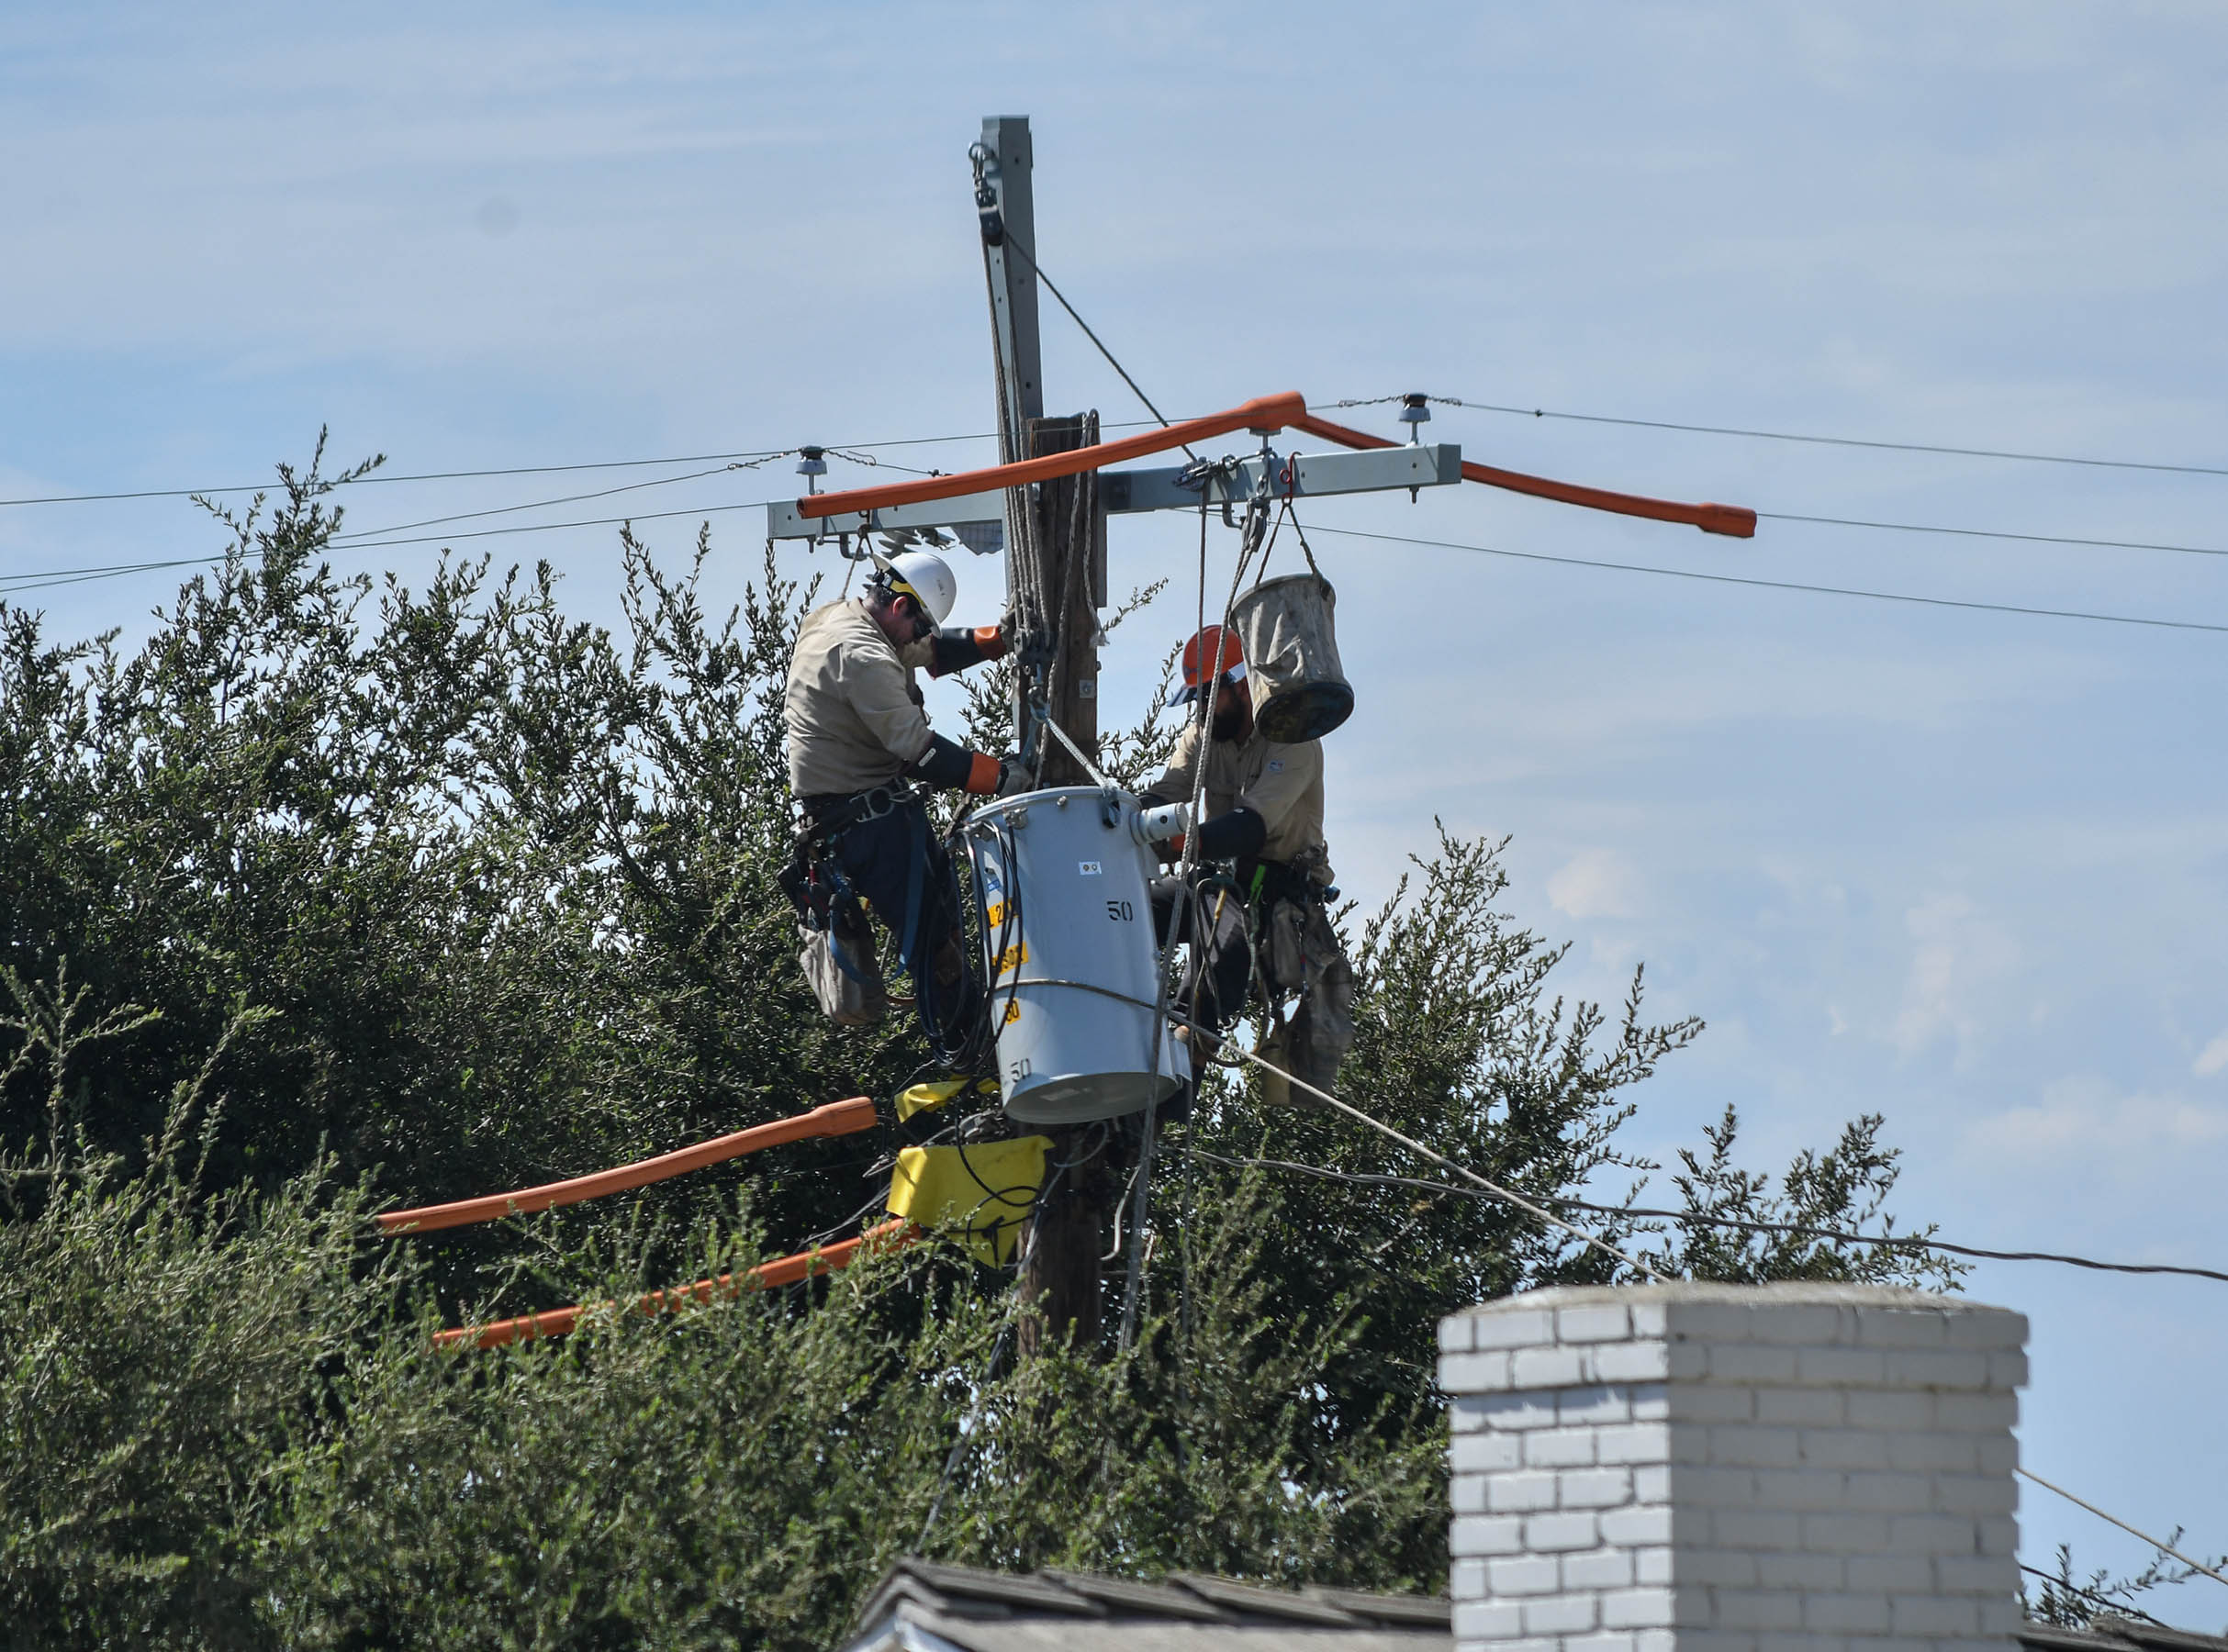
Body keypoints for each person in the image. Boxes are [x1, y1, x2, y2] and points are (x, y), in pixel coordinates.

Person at [782, 546, 1014, 1053]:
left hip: (866, 813)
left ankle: (965, 1041)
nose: (921, 636)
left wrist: (997, 641)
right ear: (899, 606)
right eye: (919, 623)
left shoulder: (843, 618)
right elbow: (919, 752)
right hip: (866, 825)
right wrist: (1002, 778)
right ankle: (967, 1055)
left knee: (943, 922)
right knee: (935, 941)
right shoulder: (860, 654)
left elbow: (924, 651)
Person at [1139, 624, 1350, 1099]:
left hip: (1272, 893)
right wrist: (1116, 817)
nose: (1198, 710)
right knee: (1126, 909)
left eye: (1206, 697)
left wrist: (1178, 846)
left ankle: (1184, 1057)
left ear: (1238, 686)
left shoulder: (1290, 738)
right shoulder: (1202, 736)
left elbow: (1249, 827)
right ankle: (1120, 1027)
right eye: (1193, 699)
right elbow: (1163, 796)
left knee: (1226, 946)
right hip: (1216, 884)